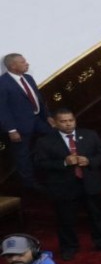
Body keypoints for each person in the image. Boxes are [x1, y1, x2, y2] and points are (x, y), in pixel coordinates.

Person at [33, 107, 101, 259]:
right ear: (54, 123)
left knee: (96, 215)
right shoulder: (45, 141)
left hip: (89, 183)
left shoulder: (90, 135)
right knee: (66, 218)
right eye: (63, 121)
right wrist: (64, 162)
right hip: (63, 186)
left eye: (71, 120)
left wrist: (89, 160)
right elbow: (40, 164)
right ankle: (69, 247)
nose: (68, 124)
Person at [0, 52, 54, 190]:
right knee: (22, 156)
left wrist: (48, 116)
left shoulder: (28, 78)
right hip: (19, 126)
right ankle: (29, 184)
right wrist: (11, 130)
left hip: (38, 120)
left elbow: (39, 99)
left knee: (54, 139)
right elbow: (2, 109)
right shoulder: (2, 83)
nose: (27, 64)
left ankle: (53, 172)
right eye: (23, 62)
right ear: (12, 66)